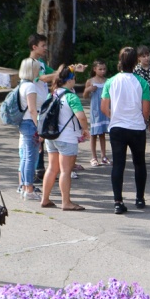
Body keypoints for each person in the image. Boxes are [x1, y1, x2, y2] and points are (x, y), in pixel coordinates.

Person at [102, 47, 150, 215]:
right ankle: (140, 198)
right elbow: (146, 109)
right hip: (136, 127)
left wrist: (115, 116)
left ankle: (118, 201)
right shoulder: (142, 82)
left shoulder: (111, 81)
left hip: (117, 127)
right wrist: (142, 119)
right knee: (139, 163)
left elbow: (104, 107)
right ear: (135, 62)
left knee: (118, 164)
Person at [40, 64, 89, 211]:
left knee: (51, 168)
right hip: (67, 138)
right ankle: (66, 202)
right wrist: (85, 129)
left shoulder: (52, 94)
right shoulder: (71, 97)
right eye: (74, 78)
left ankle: (45, 199)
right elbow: (81, 117)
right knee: (66, 171)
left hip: (51, 137)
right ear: (70, 80)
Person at [27, 34, 56, 183]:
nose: (46, 48)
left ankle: (40, 170)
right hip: (33, 109)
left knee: (41, 140)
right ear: (34, 47)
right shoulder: (30, 64)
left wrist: (71, 69)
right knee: (33, 142)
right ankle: (28, 178)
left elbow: (53, 73)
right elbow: (44, 78)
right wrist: (60, 73)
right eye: (43, 45)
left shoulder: (42, 63)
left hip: (42, 108)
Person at [16, 57, 42, 201]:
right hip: (30, 123)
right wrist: (39, 127)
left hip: (23, 123)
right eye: (37, 68)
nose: (39, 71)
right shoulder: (31, 86)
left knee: (26, 157)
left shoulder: (21, 85)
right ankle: (29, 189)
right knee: (31, 158)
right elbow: (33, 110)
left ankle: (25, 187)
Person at [84, 60, 110, 166]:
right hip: (95, 110)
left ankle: (103, 156)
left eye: (104, 69)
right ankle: (93, 157)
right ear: (95, 69)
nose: (102, 71)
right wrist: (88, 89)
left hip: (105, 109)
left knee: (102, 133)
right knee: (94, 134)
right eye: (100, 69)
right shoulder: (90, 81)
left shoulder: (107, 81)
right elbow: (85, 96)